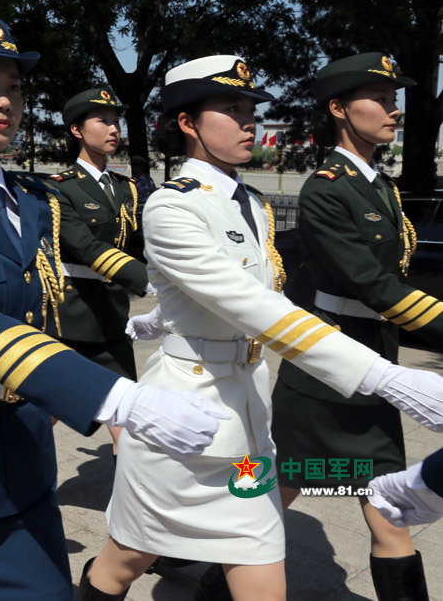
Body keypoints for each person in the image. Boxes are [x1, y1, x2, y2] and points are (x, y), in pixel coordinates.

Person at [0, 15, 233, 601]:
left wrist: (162, 309)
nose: (4, 101)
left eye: (13, 87)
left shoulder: (36, 201)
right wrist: (120, 398)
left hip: (23, 450)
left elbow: (48, 295)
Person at [78, 55, 443, 601]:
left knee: (264, 571)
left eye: (250, 111)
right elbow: (252, 306)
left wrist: (169, 311)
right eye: (231, 110)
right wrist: (383, 377)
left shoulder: (251, 202)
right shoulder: (171, 206)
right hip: (183, 421)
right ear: (187, 123)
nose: (248, 123)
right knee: (124, 562)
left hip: (249, 421)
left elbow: (269, 287)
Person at [264, 52, 437, 601]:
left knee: (388, 508)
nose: (394, 110)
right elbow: (372, 284)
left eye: (394, 99)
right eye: (380, 100)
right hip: (329, 368)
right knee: (276, 491)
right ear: (339, 109)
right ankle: (209, 578)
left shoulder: (379, 184)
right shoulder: (326, 188)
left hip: (375, 361)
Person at [45, 88, 148, 463]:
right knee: (45, 414)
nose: (114, 129)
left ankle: (130, 495)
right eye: (102, 121)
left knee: (127, 421)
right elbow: (86, 247)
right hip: (72, 317)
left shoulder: (126, 189)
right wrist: (148, 281)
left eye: (116, 121)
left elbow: (137, 247)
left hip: (111, 316)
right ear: (76, 130)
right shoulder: (58, 187)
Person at [369, 449, 443, 528]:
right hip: (436, 499)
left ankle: (394, 514)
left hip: (424, 475)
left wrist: (393, 513)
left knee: (374, 488)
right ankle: (395, 515)